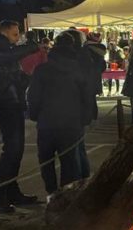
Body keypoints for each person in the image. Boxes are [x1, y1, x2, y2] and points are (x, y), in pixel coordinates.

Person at [0, 20, 39, 213]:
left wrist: (30, 77)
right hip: (4, 103)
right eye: (15, 34)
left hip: (13, 102)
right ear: (4, 33)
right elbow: (5, 59)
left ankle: (11, 192)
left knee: (17, 149)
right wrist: (29, 49)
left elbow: (15, 76)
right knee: (12, 149)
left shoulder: (4, 50)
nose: (18, 38)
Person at [27, 33, 89, 200]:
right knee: (70, 161)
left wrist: (34, 115)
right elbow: (87, 96)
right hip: (71, 123)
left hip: (47, 122)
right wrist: (85, 118)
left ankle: (52, 194)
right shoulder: (79, 69)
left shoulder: (42, 70)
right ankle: (67, 196)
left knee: (46, 161)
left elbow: (33, 96)